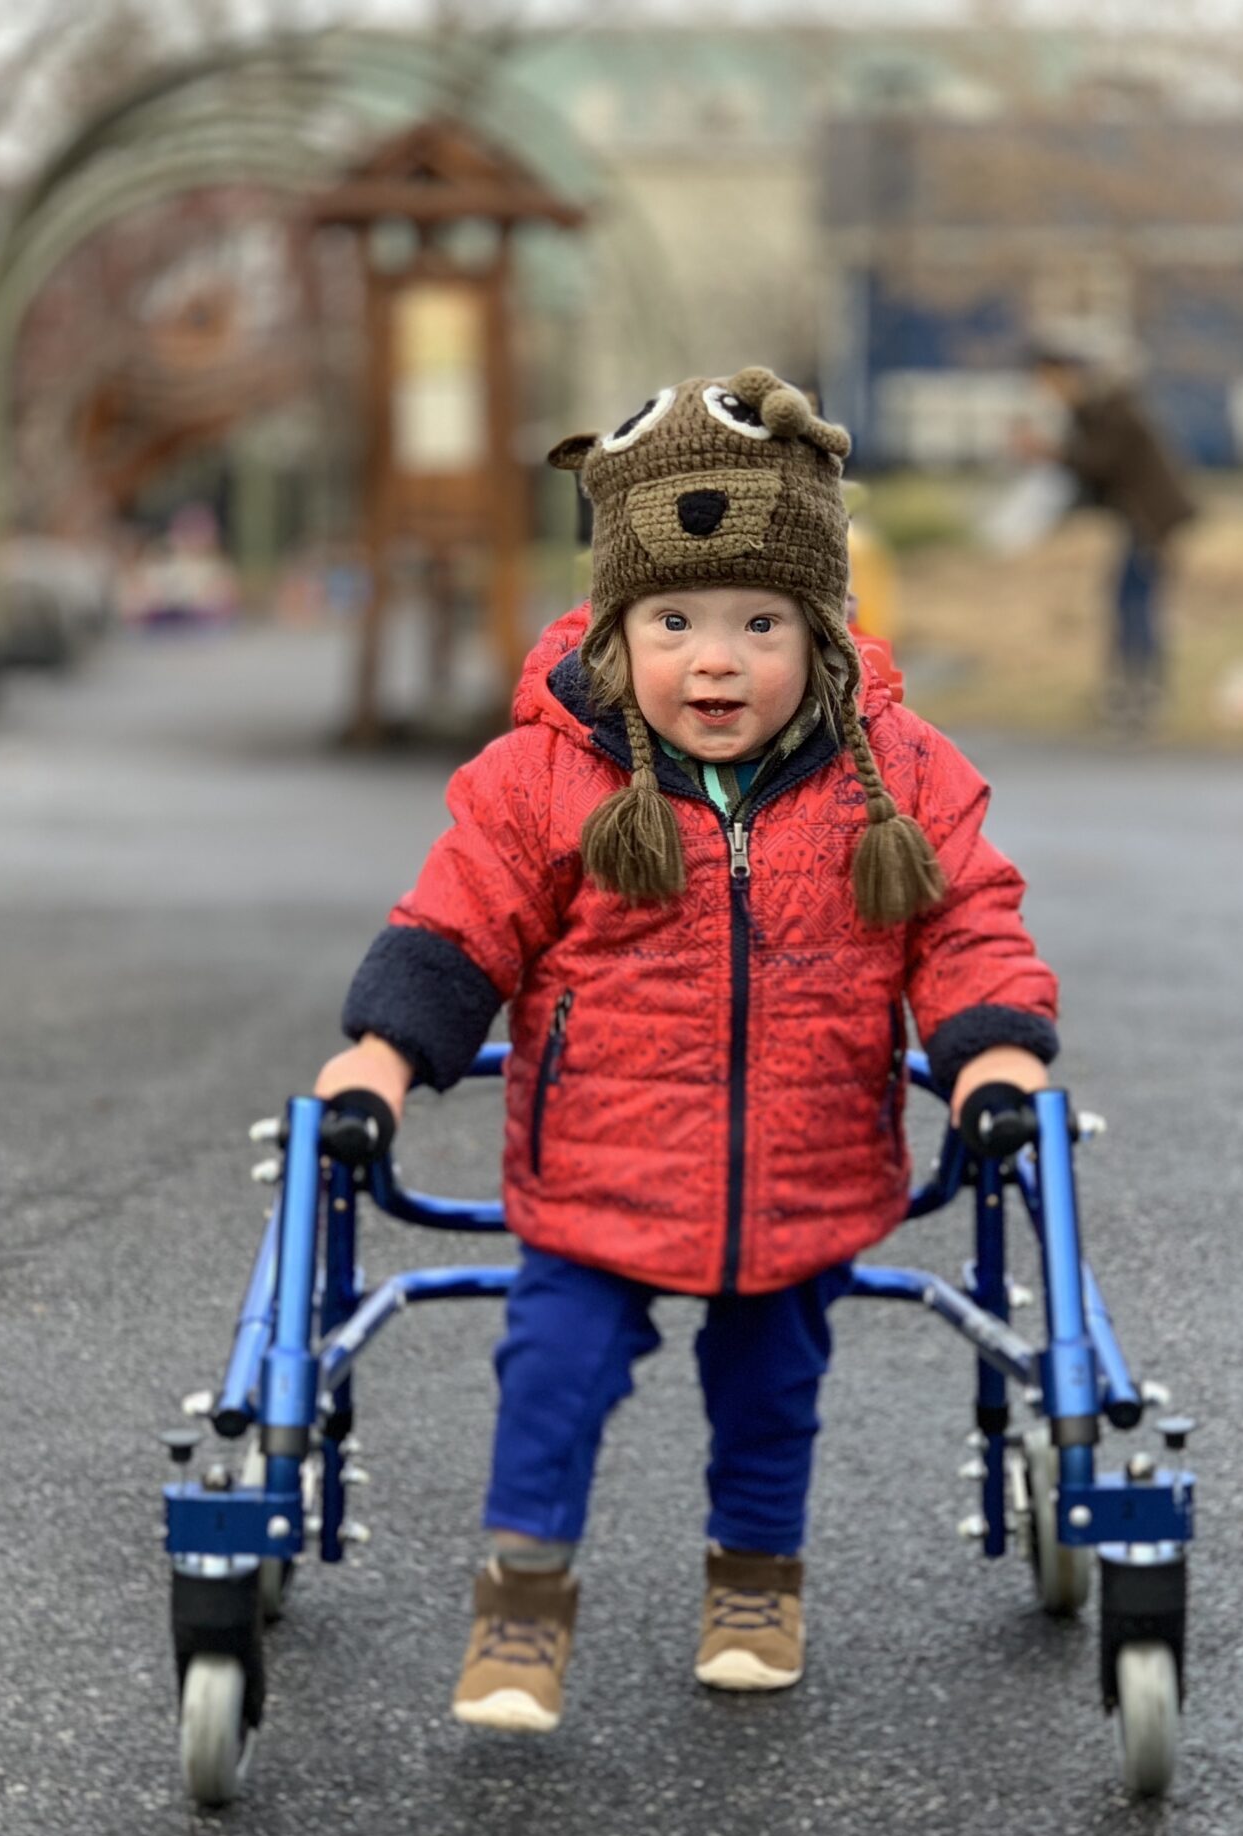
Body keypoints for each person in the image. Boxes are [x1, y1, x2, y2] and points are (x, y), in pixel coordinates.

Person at [312, 367, 1061, 1733]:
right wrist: (382, 1055)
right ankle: (525, 1599)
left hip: (805, 1163)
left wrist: (991, 1053)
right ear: (616, 629)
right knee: (552, 1373)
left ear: (823, 634)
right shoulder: (545, 777)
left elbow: (966, 923)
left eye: (762, 623)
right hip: (597, 1169)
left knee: (775, 1383)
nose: (716, 662)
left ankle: (755, 1578)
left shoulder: (892, 773)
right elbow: (457, 921)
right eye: (673, 621)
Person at [1027, 345, 1197, 728]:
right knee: (1128, 599)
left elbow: (1095, 463)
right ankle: (1131, 690)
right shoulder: (1096, 409)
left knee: (1135, 603)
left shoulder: (1109, 408)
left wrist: (1048, 453)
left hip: (1151, 520)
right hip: (1141, 519)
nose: (1047, 392)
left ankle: (1141, 693)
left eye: (1050, 382)